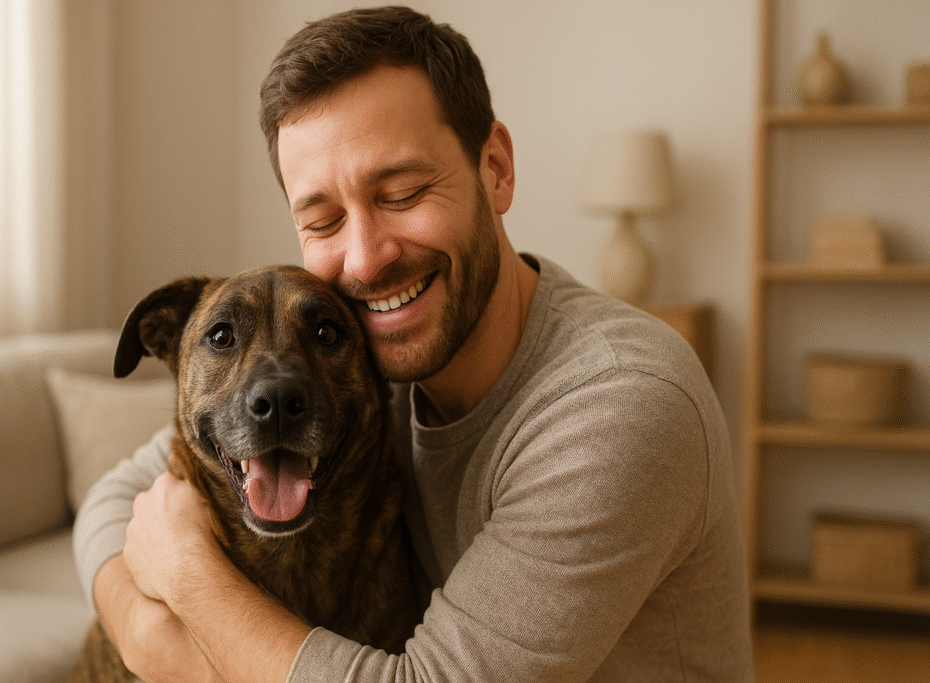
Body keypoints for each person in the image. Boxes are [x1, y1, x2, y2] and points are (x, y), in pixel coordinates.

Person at [74, 6, 753, 682]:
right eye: (325, 218)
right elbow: (122, 493)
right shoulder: (366, 360)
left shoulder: (622, 402)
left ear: (496, 169)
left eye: (401, 192)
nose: (366, 260)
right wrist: (138, 629)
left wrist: (187, 579)